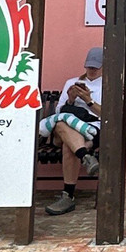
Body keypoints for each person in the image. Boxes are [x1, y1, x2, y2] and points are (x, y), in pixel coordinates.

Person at [39, 46, 103, 216]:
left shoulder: (109, 85)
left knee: (69, 147)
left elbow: (108, 116)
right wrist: (72, 99)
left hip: (91, 131)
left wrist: (88, 100)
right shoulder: (72, 82)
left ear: (104, 67)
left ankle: (68, 195)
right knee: (60, 124)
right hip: (65, 132)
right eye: (89, 66)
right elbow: (60, 113)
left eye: (96, 67)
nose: (91, 70)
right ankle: (86, 157)